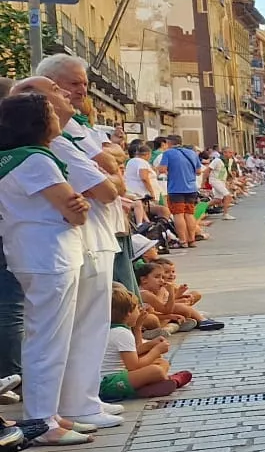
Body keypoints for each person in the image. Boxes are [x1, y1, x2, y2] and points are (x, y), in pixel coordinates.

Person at [17, 77, 125, 431]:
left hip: (73, 246)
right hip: (68, 247)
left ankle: (67, 407)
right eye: (57, 91)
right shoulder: (47, 151)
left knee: (70, 331)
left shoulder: (61, 142)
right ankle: (64, 409)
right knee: (70, 331)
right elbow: (106, 189)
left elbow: (109, 183)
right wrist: (91, 191)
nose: (67, 95)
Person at [103, 286, 191, 400]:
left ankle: (150, 386)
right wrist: (156, 350)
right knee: (156, 371)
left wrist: (139, 329)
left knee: (161, 362)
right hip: (108, 383)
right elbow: (134, 366)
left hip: (112, 378)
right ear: (129, 313)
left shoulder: (110, 329)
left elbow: (132, 352)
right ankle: (170, 381)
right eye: (137, 308)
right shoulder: (121, 333)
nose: (140, 311)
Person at [157, 134, 202, 248]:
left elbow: (162, 169)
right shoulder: (192, 153)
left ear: (169, 143)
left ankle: (183, 241)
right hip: (191, 188)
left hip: (176, 188)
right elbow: (198, 171)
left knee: (178, 215)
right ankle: (191, 240)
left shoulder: (168, 153)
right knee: (189, 214)